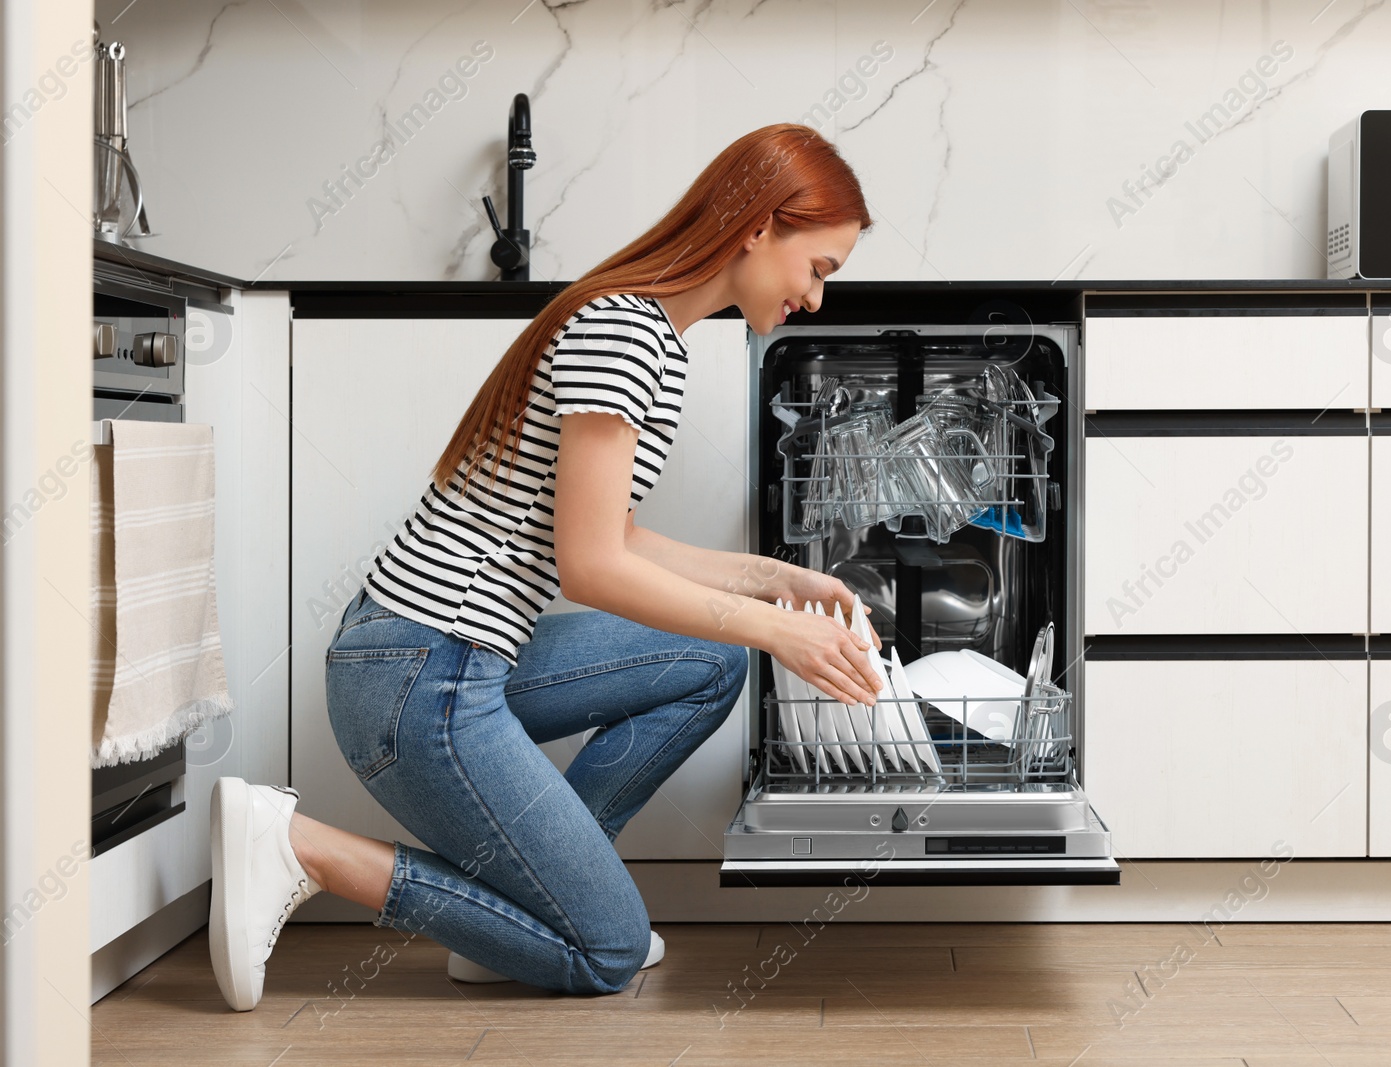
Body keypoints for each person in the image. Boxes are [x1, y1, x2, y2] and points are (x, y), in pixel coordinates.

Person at [208, 123, 886, 1012]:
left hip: (428, 658)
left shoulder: (646, 328)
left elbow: (618, 536)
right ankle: (299, 847)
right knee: (608, 951)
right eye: (820, 267)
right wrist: (776, 631)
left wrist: (769, 581)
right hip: (423, 676)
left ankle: (519, 913)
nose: (816, 297)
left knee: (712, 662)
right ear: (759, 226)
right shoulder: (627, 333)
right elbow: (591, 566)